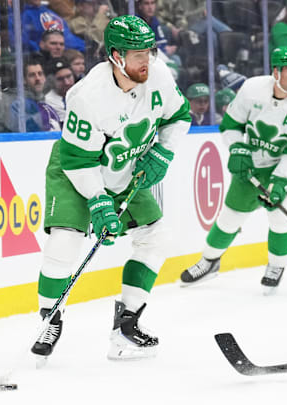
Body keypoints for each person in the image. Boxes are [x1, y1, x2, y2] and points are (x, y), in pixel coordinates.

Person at [31, 15, 191, 363]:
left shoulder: (159, 75)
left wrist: (163, 151)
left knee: (155, 236)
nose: (146, 59)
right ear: (116, 57)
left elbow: (180, 116)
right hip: (78, 169)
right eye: (137, 54)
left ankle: (126, 328)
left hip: (123, 166)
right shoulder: (89, 96)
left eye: (148, 51)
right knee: (65, 240)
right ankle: (50, 319)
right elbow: (77, 161)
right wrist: (99, 201)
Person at [179, 46, 287, 294]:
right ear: (275, 71)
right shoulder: (253, 89)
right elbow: (231, 125)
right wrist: (237, 149)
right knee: (230, 216)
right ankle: (209, 261)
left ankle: (276, 266)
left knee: (281, 212)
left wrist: (280, 181)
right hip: (255, 160)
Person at [6, 56, 62, 132]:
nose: (38, 78)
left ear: (45, 77)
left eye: (40, 74)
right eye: (32, 75)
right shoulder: (18, 105)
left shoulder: (47, 106)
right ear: (23, 80)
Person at [44, 57, 75, 123]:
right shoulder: (49, 101)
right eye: (60, 79)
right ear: (51, 81)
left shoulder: (81, 92)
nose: (67, 82)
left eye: (69, 76)